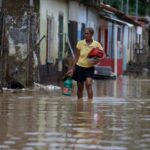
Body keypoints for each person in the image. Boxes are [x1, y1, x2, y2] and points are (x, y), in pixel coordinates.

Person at [67, 27, 105, 100]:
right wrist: (72, 68)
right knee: (80, 87)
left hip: (90, 68)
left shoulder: (96, 44)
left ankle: (90, 104)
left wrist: (99, 60)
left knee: (88, 84)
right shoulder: (80, 43)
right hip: (79, 67)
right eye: (84, 33)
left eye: (87, 33)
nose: (85, 35)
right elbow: (76, 56)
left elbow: (104, 54)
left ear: (91, 34)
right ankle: (79, 103)